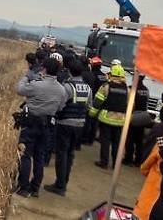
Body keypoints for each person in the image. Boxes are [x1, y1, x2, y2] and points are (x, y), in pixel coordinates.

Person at [14, 58, 67, 198]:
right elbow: (61, 107)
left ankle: (23, 187)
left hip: (31, 123)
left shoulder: (37, 85)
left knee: (25, 154)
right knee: (40, 157)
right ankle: (35, 188)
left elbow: (19, 89)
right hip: (48, 125)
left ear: (44, 69)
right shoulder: (62, 90)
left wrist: (26, 77)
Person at [44, 60, 92, 196]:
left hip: (65, 123)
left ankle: (59, 185)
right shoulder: (88, 88)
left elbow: (60, 105)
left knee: (61, 154)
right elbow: (89, 106)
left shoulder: (67, 86)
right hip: (80, 124)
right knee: (70, 154)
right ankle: (64, 182)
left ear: (70, 71)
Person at [89, 64, 128, 169]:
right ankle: (115, 164)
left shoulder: (106, 87)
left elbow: (97, 102)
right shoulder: (127, 89)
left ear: (111, 74)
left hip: (106, 118)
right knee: (117, 143)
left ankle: (104, 162)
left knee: (105, 141)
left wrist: (92, 113)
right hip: (120, 120)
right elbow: (130, 106)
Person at [123, 74, 150, 166]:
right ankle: (138, 160)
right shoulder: (146, 90)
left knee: (130, 139)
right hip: (144, 116)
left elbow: (129, 103)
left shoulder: (132, 88)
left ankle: (128, 159)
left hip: (133, 115)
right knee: (139, 140)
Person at [82, 56, 106, 145]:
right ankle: (91, 139)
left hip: (93, 99)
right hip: (101, 101)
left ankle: (85, 139)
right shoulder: (104, 76)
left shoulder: (93, 75)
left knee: (89, 120)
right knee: (95, 122)